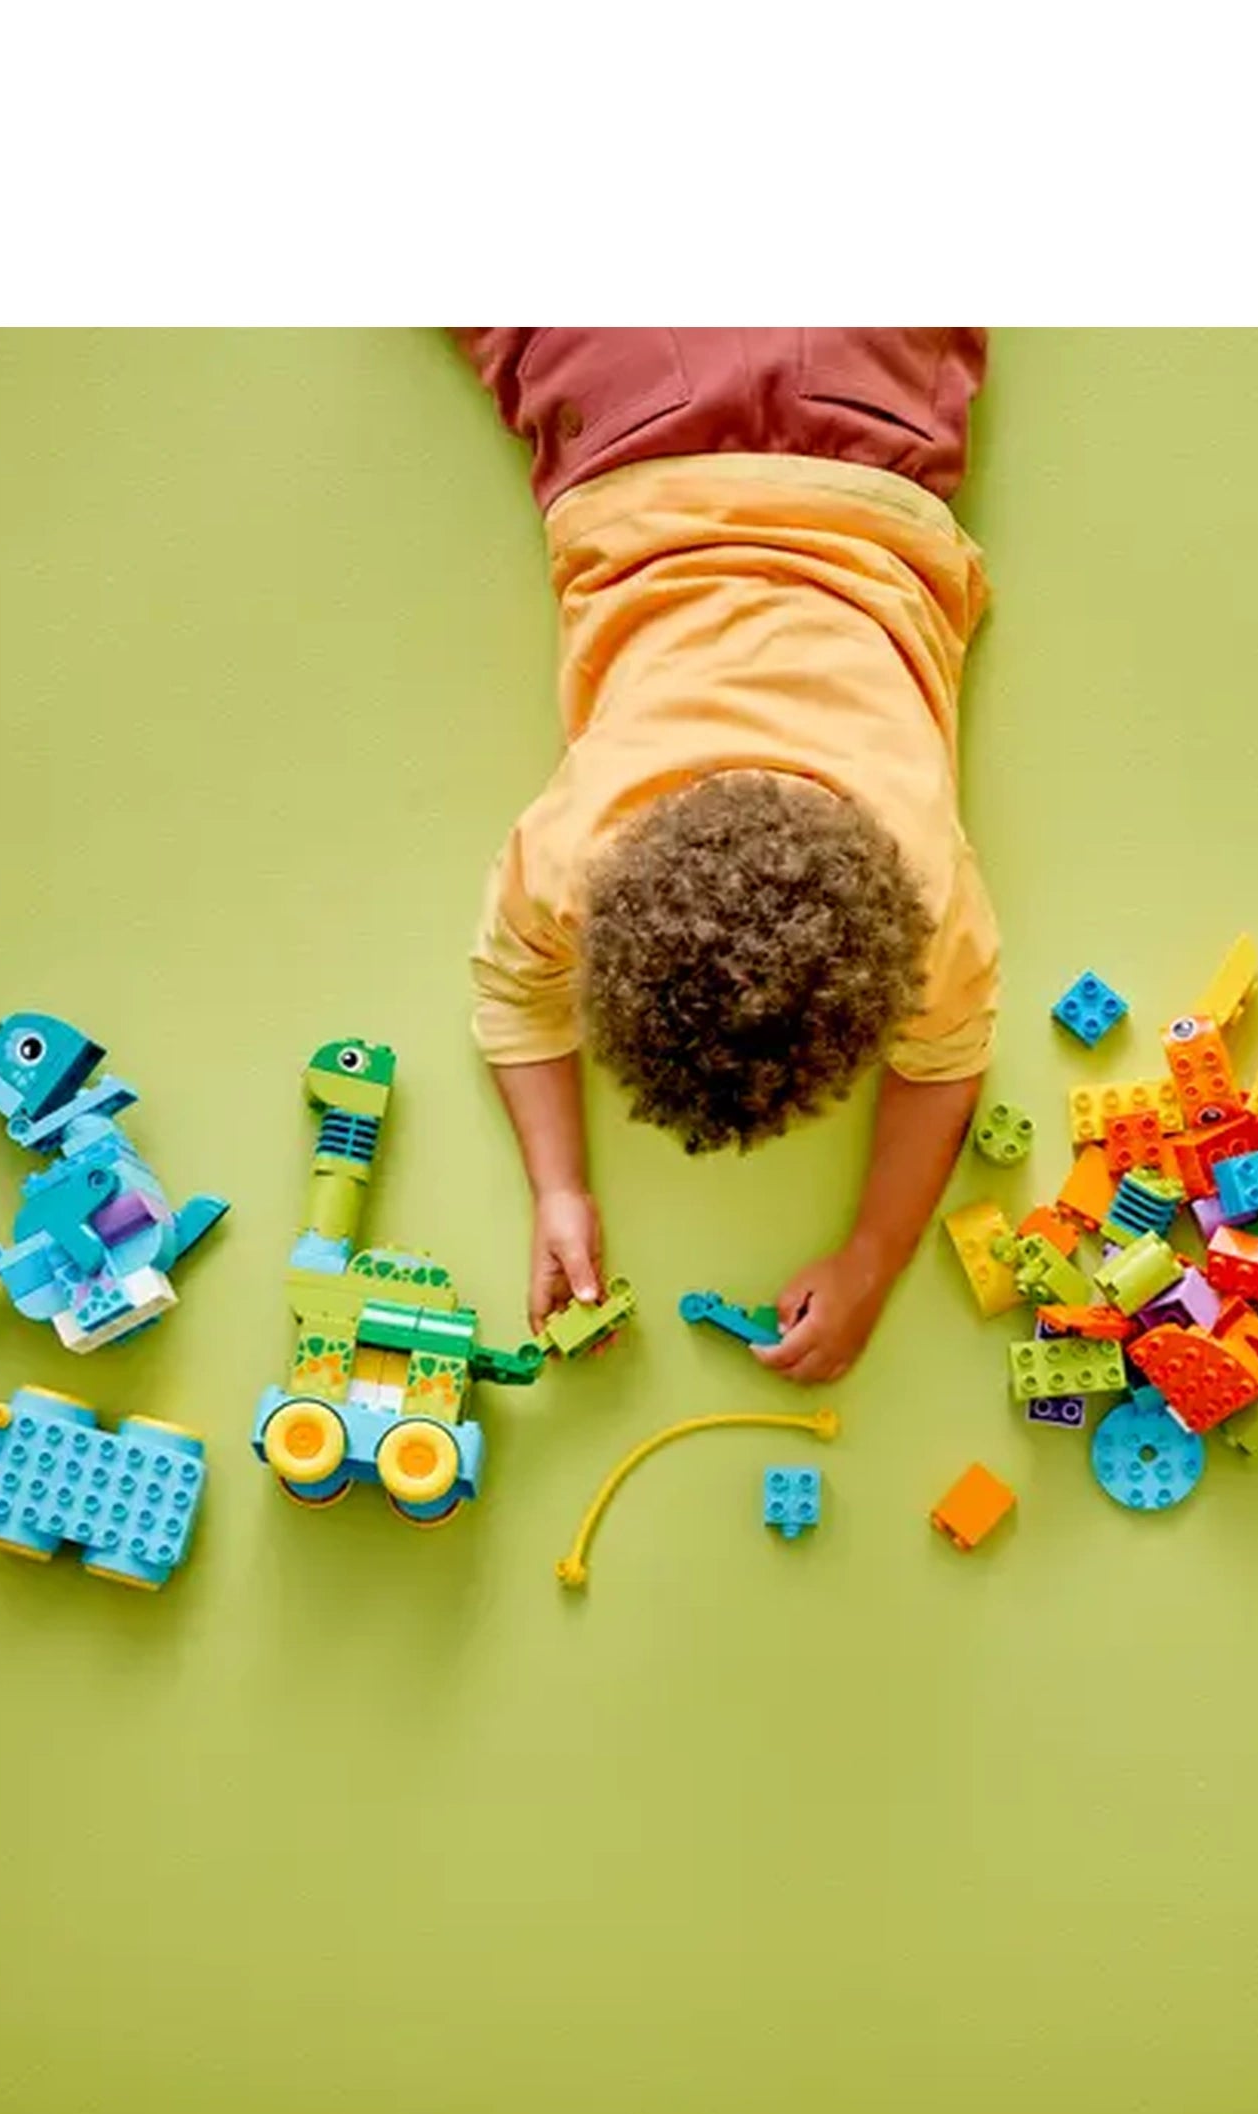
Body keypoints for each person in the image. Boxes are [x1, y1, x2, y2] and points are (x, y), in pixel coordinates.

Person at [456, 328, 996, 1385]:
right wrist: (872, 1261)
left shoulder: (927, 899)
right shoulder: (579, 847)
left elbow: (946, 1061)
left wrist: (873, 1258)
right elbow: (513, 999)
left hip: (868, 442)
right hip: (630, 437)